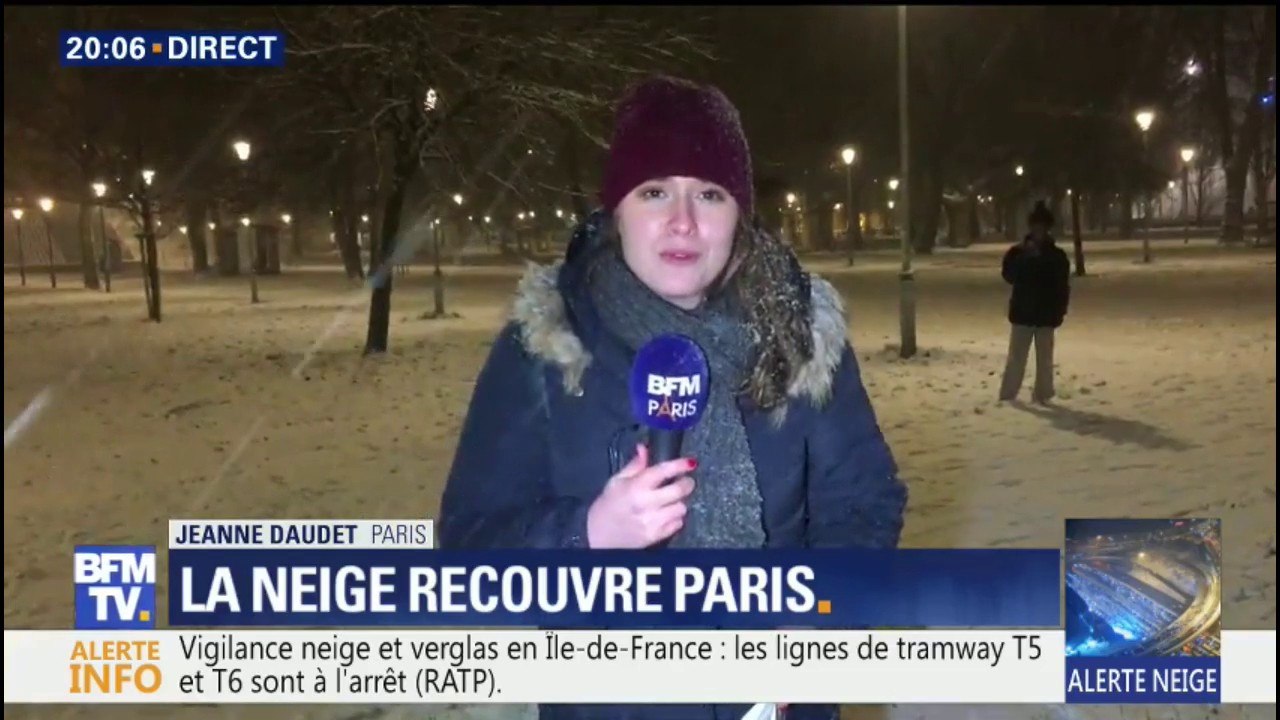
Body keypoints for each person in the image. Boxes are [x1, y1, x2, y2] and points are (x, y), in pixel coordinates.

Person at [439, 75, 908, 720]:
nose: (683, 221)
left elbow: (865, 503)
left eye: (709, 194)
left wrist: (817, 618)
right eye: (655, 191)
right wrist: (587, 534)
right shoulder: (548, 348)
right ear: (618, 211)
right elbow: (467, 551)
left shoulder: (798, 339)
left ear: (739, 214)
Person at [998, 200, 1071, 404]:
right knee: (1016, 357)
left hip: (1045, 314)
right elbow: (1008, 275)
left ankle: (1043, 393)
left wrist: (1060, 310)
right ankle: (1008, 394)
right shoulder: (1018, 253)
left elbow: (1062, 286)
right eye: (1036, 227)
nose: (1039, 231)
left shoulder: (1056, 256)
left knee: (1044, 359)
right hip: (1023, 312)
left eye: (1042, 227)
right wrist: (1025, 258)